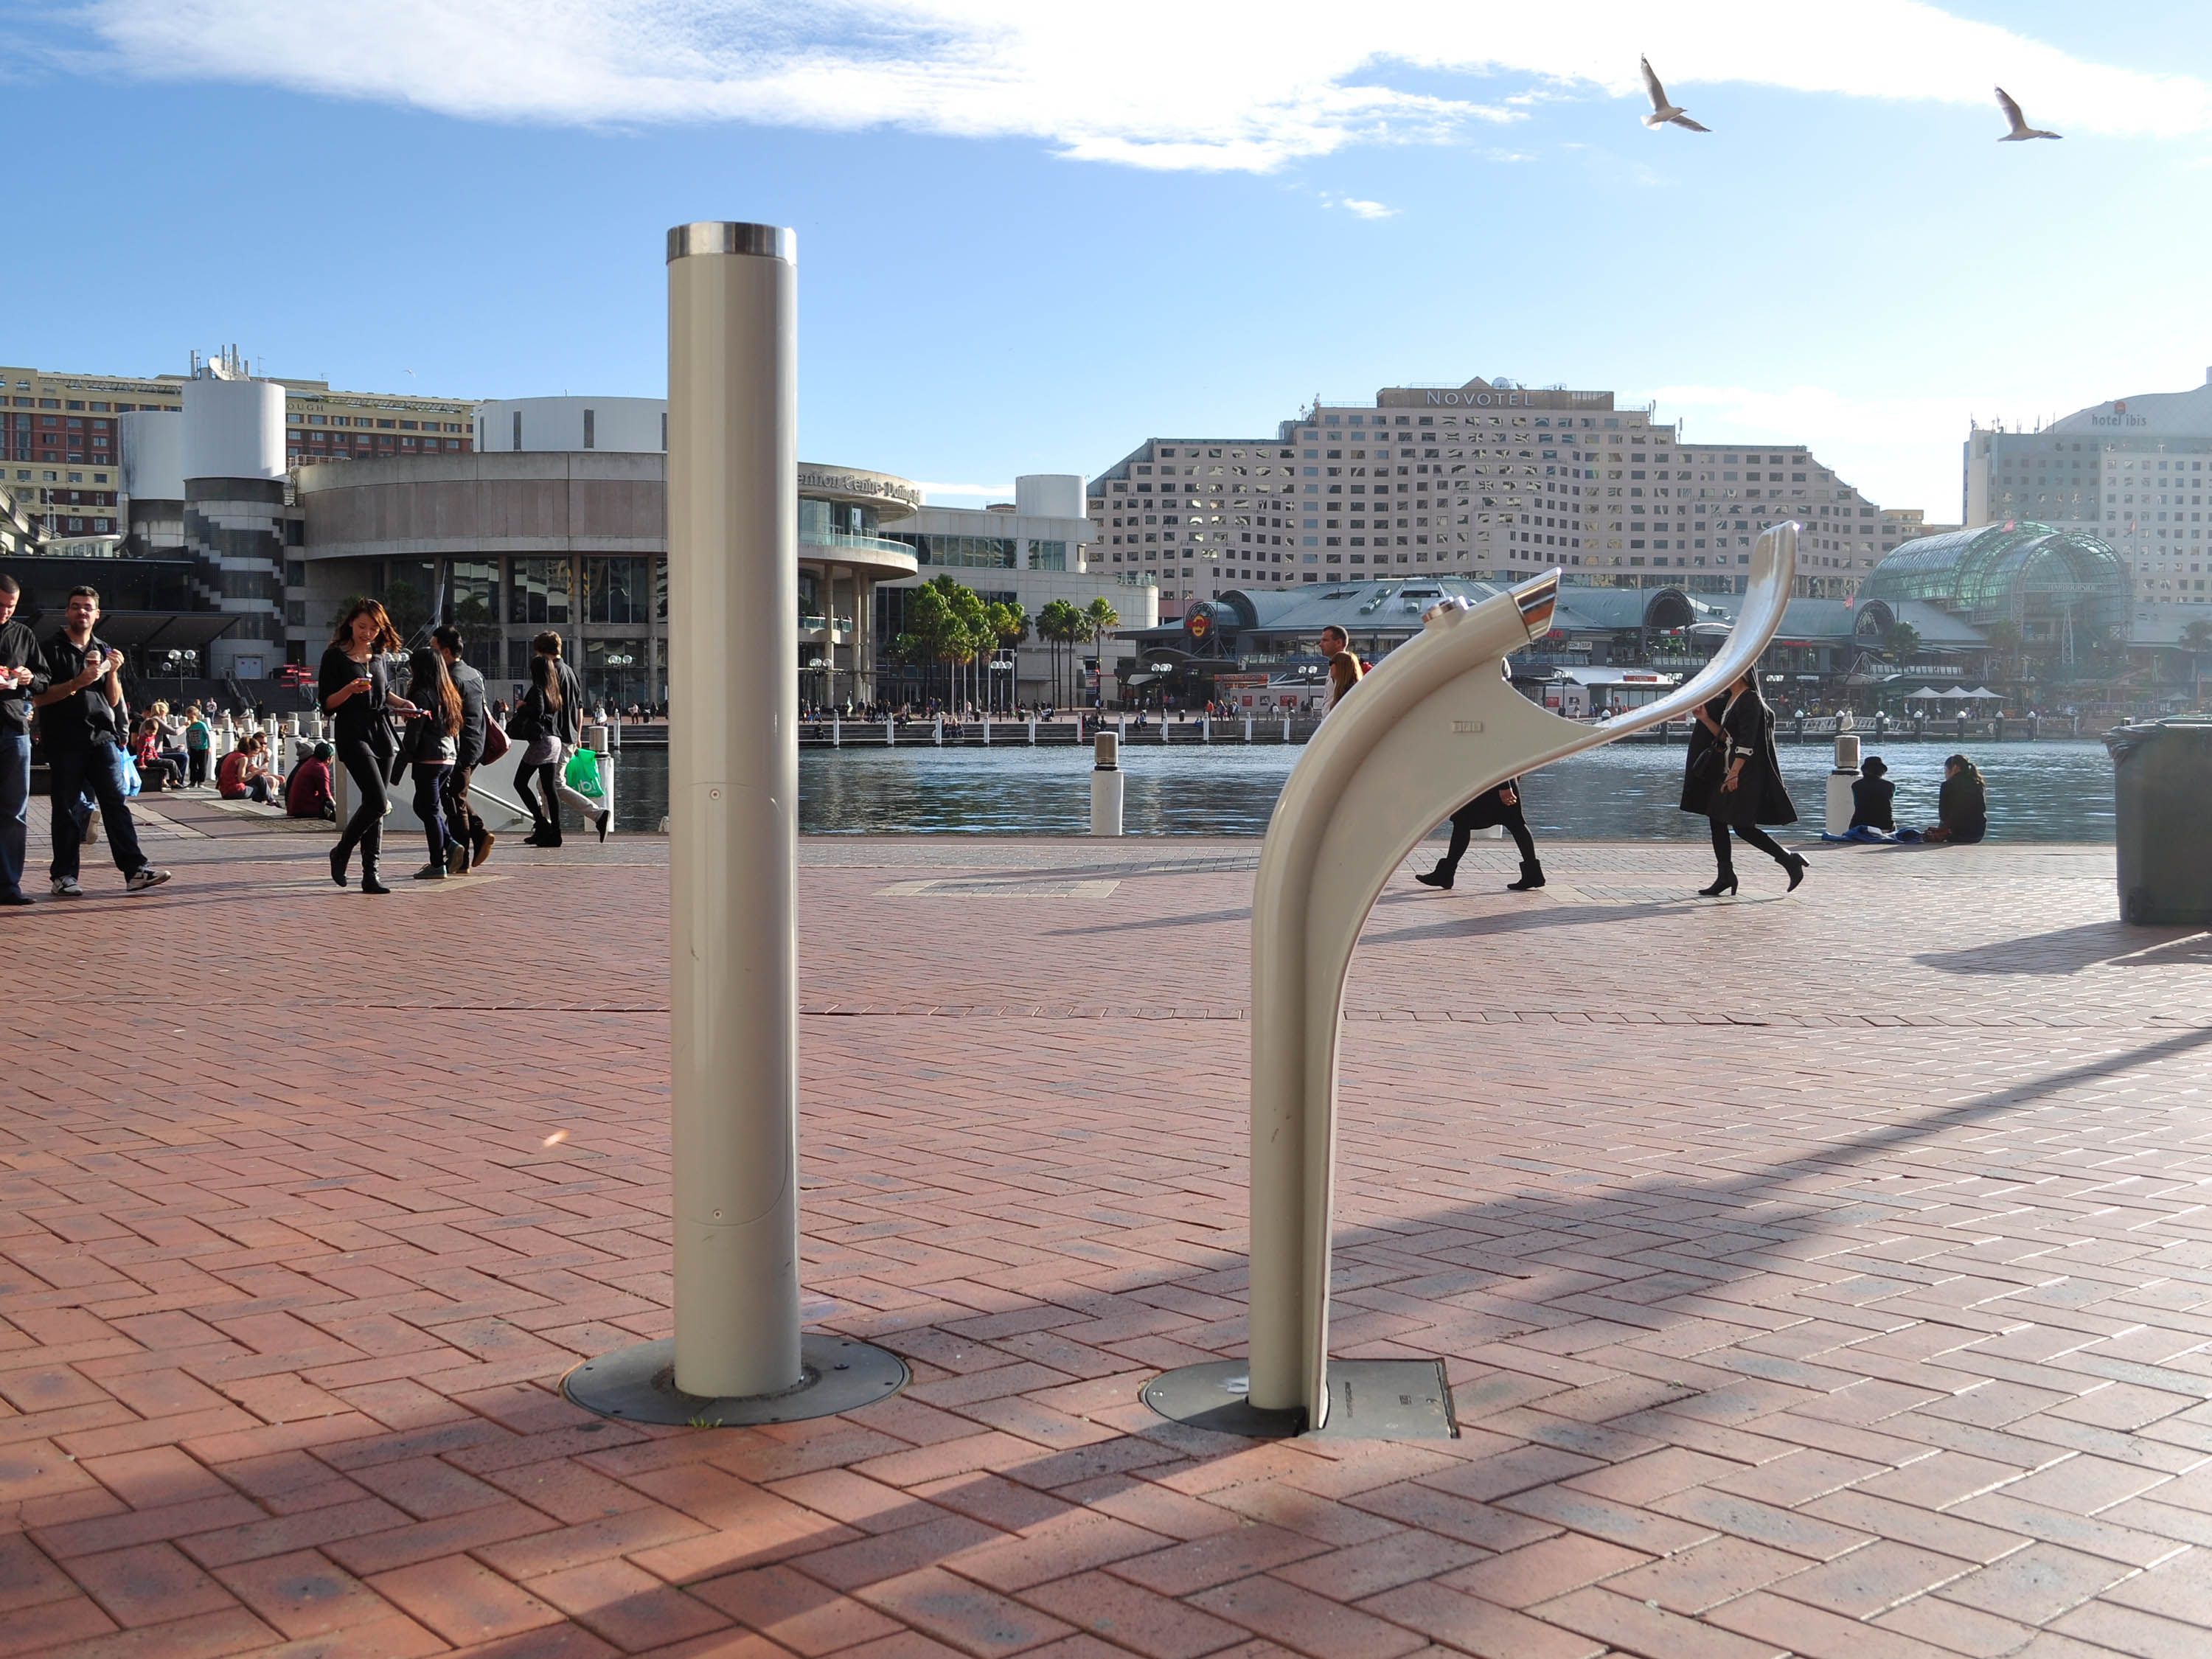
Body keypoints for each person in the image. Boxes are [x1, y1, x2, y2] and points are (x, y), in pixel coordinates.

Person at [29, 585, 171, 897]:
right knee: (65, 808)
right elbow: (40, 697)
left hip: (102, 736)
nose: (82, 612)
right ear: (67, 612)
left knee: (115, 802)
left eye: (87, 607)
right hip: (64, 738)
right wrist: (76, 683)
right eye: (76, 606)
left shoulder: (104, 648)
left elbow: (113, 700)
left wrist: (113, 673)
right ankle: (64, 876)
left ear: (97, 614)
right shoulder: (50, 648)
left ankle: (135, 870)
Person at [1416, 667, 1545, 892]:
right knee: (1505, 823)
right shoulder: (1501, 701)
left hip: (1492, 776)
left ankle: (1446, 873)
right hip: (1492, 774)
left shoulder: (1491, 702)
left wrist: (1504, 784)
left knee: (1467, 821)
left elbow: (1494, 742)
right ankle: (1532, 874)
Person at [321, 599, 418, 895]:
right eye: (363, 626)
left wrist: (403, 704)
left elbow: (384, 692)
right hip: (352, 730)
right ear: (351, 622)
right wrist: (349, 690)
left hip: (381, 731)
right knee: (377, 802)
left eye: (374, 628)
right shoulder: (334, 656)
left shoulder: (379, 656)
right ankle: (341, 851)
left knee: (375, 805)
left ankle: (370, 873)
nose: (368, 633)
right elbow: (326, 704)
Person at [1693, 670, 1806, 897]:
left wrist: (1734, 773)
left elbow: (1747, 741)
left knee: (1743, 827)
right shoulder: (1733, 700)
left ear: (1741, 674)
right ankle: (1725, 875)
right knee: (1716, 820)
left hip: (1744, 773)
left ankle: (1789, 860)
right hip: (1730, 770)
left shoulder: (1750, 700)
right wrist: (1705, 718)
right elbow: (1727, 738)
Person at [514, 631, 608, 846]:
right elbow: (580, 706)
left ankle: (596, 815)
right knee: (544, 784)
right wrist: (578, 735)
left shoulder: (548, 672)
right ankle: (544, 828)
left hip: (554, 734)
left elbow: (540, 707)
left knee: (553, 784)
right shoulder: (570, 672)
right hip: (568, 735)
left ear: (541, 651)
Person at [432, 625, 493, 874]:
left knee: (454, 800)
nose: (431, 653)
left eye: (434, 649)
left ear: (445, 652)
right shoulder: (474, 674)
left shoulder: (450, 679)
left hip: (458, 748)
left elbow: (447, 717)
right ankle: (478, 833)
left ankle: (462, 860)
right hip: (476, 744)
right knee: (455, 795)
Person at [401, 645, 462, 880]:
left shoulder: (422, 694)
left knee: (430, 809)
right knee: (423, 806)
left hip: (429, 758)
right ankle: (449, 843)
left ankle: (438, 863)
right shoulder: (448, 692)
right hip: (448, 757)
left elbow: (415, 731)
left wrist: (407, 753)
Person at [0, 573, 35, 905]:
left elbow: (43, 677)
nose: (5, 613)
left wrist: (29, 676)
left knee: (14, 810)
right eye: (0, 606)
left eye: (11, 607)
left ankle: (9, 885)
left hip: (12, 728)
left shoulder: (23, 634)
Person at [1922, 754, 1988, 844]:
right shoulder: (1978, 783)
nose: (1945, 774)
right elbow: (1982, 809)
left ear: (1955, 768)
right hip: (1977, 834)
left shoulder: (1947, 785)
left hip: (1957, 835)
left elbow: (1943, 815)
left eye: (1946, 770)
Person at [216, 731, 274, 804]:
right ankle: (270, 802)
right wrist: (256, 772)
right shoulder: (243, 758)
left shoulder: (233, 754)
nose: (255, 756)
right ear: (250, 750)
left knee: (259, 779)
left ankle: (270, 801)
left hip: (225, 791)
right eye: (254, 753)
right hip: (235, 791)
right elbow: (241, 778)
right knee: (258, 786)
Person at [286, 741, 336, 820]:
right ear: (329, 758)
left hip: (294, 808)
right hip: (306, 809)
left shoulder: (309, 763)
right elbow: (326, 795)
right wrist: (337, 808)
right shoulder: (320, 768)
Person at [133, 718, 184, 791]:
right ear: (146, 730)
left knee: (166, 764)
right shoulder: (143, 739)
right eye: (150, 732)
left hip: (153, 758)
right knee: (172, 763)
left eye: (154, 732)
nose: (152, 734)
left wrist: (156, 757)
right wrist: (142, 763)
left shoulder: (152, 737)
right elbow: (141, 752)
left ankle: (168, 781)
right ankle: (174, 782)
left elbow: (153, 748)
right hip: (148, 760)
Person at [1319, 625, 1362, 712]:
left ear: (1339, 642)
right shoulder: (1338, 667)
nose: (1320, 644)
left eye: (1325, 640)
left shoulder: (1343, 670)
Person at [184, 703, 212, 787]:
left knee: (202, 766)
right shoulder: (188, 726)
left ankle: (201, 781)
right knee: (192, 766)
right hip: (193, 748)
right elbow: (187, 737)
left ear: (196, 716)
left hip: (202, 748)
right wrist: (188, 748)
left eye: (191, 717)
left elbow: (207, 735)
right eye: (188, 717)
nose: (190, 720)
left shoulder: (201, 725)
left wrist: (209, 746)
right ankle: (193, 781)